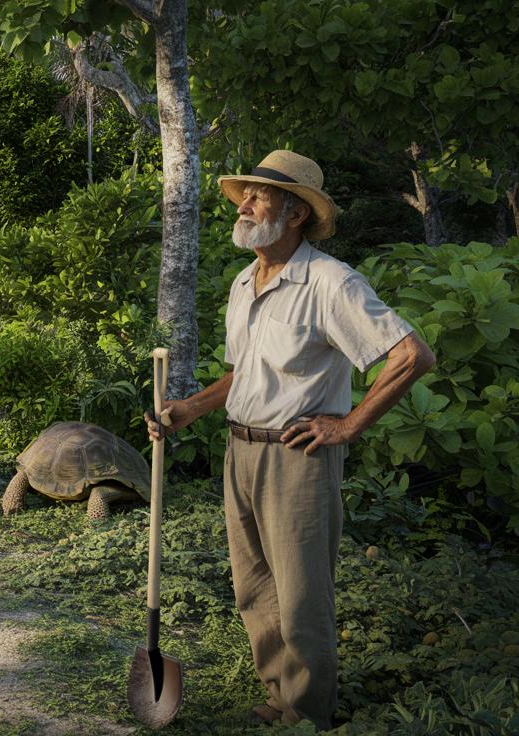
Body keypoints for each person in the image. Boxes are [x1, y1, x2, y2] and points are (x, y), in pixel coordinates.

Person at [144, 150, 436, 729]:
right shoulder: (243, 281)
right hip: (240, 451)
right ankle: (280, 695)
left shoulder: (330, 282)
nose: (245, 206)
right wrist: (189, 410)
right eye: (244, 196)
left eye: (260, 197)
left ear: (297, 213)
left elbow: (412, 355)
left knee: (302, 597)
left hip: (296, 458)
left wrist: (348, 423)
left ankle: (308, 713)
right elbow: (244, 372)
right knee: (255, 589)